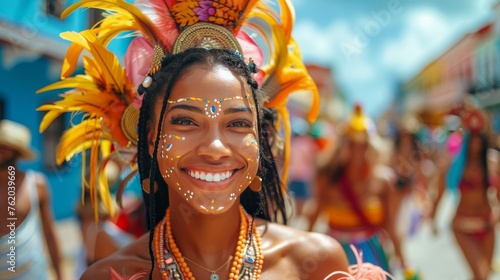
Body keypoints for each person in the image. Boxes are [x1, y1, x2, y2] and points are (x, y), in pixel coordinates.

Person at [37, 0, 393, 279]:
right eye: (185, 121)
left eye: (237, 124)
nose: (215, 148)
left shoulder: (315, 264)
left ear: (259, 141)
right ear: (150, 139)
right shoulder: (111, 276)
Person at [307, 104, 409, 276]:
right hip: (335, 254)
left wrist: (404, 262)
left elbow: (390, 225)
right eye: (352, 144)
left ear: (371, 146)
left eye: (363, 145)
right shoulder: (327, 179)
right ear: (342, 146)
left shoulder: (382, 180)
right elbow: (314, 214)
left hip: (372, 255)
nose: (358, 151)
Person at [436, 105, 499, 280]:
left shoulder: (492, 161)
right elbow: (441, 189)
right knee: (481, 273)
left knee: (482, 275)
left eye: (479, 138)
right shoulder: (457, 165)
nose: (475, 144)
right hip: (463, 226)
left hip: (487, 225)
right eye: (472, 139)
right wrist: (433, 216)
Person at [0, 119, 62, 279]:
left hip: (32, 273)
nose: (0, 151)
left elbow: (49, 233)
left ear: (18, 152)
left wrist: (60, 275)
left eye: (6, 147)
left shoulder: (36, 184)